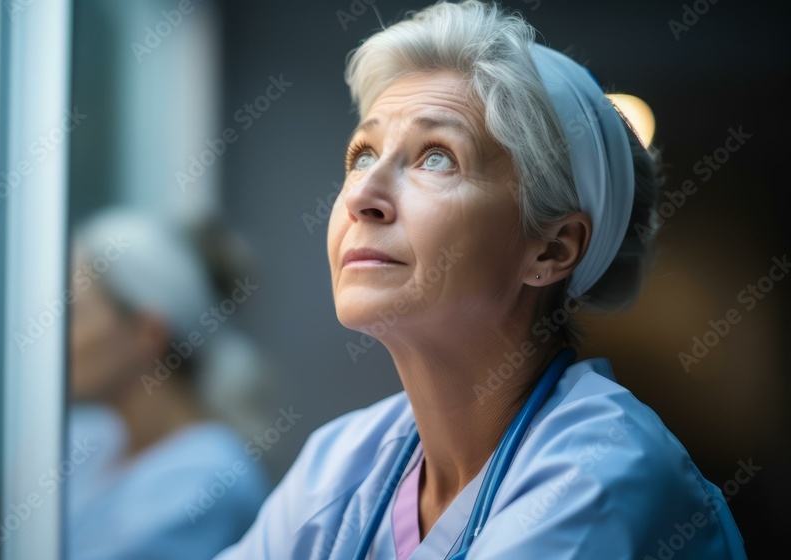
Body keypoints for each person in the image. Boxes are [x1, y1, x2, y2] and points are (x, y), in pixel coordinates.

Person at [215, 2, 746, 558]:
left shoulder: (607, 468)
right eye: (363, 154)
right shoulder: (342, 463)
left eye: (438, 158)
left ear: (552, 249)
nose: (360, 196)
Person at [67, 208, 270, 560]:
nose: (58, 337)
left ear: (148, 332)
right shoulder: (88, 439)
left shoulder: (209, 480)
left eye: (76, 314)